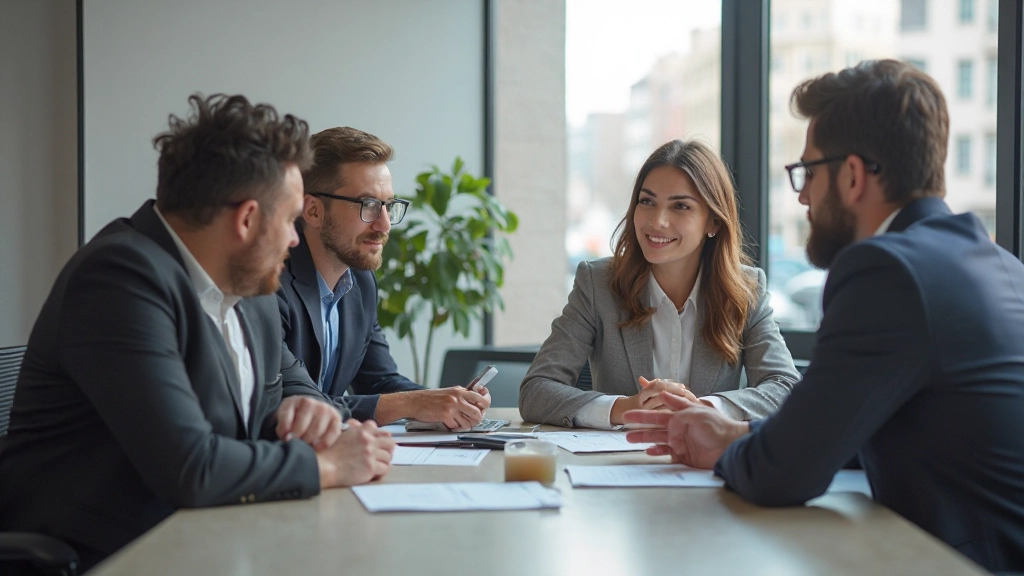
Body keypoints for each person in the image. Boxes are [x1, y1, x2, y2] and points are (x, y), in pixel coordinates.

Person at [625, 60, 1024, 572]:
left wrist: (731, 451)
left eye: (808, 171)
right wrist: (740, 436)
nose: (803, 194)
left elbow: (784, 476)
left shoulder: (886, 269)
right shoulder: (997, 263)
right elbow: (859, 427)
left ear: (853, 175)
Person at [0, 94, 395, 570]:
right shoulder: (118, 280)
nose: (295, 239)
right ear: (247, 219)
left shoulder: (250, 287)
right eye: (289, 220)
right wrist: (328, 465)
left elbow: (289, 388)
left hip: (221, 538)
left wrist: (306, 413)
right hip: (116, 553)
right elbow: (192, 468)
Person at [519, 139, 800, 429]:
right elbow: (536, 390)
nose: (658, 221)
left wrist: (703, 409)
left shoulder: (746, 289)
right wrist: (626, 408)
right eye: (647, 201)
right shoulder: (597, 283)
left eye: (680, 206)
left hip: (705, 466)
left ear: (713, 222)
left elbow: (786, 387)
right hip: (615, 466)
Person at [278, 126, 491, 429]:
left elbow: (379, 381)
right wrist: (413, 403)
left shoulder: (361, 284)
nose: (385, 224)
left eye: (389, 205)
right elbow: (296, 403)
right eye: (368, 205)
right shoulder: (270, 283)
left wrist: (449, 402)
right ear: (313, 210)